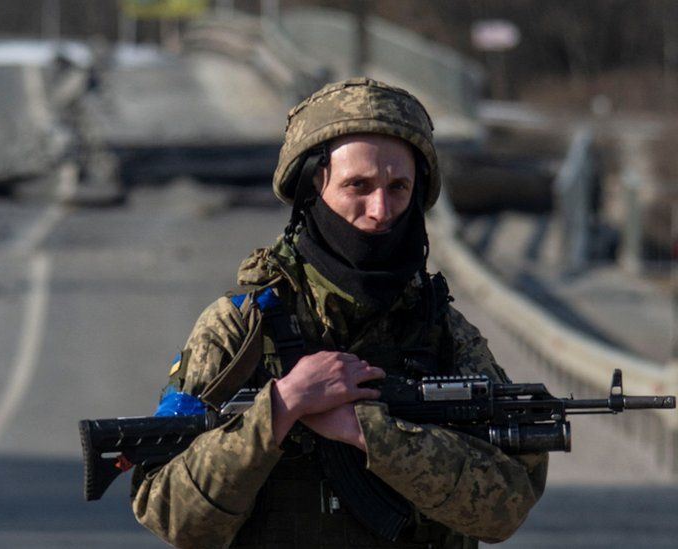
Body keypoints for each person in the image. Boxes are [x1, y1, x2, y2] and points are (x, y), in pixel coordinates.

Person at [131, 78, 547, 549]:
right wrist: (280, 410)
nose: (380, 209)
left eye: (398, 187)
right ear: (314, 186)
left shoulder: (443, 332)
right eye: (358, 186)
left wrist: (370, 434)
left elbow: (505, 507)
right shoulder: (240, 328)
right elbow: (172, 514)